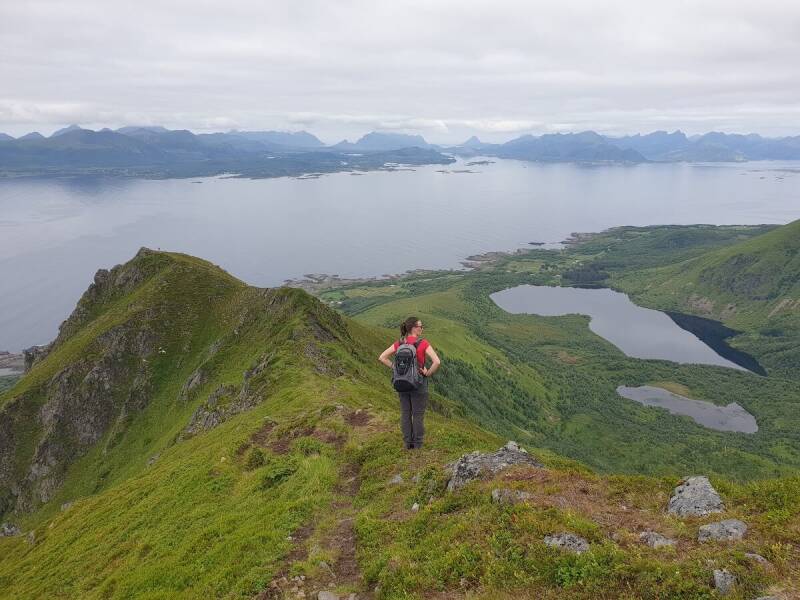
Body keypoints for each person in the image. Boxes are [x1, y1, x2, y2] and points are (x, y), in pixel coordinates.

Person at [378, 316, 441, 449]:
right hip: (419, 383)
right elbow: (437, 362)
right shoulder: (423, 343)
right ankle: (418, 444)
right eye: (420, 326)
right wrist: (427, 373)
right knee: (417, 415)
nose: (422, 328)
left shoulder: (400, 343)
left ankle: (407, 443)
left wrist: (395, 368)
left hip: (402, 382)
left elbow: (382, 357)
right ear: (413, 328)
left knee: (406, 413)